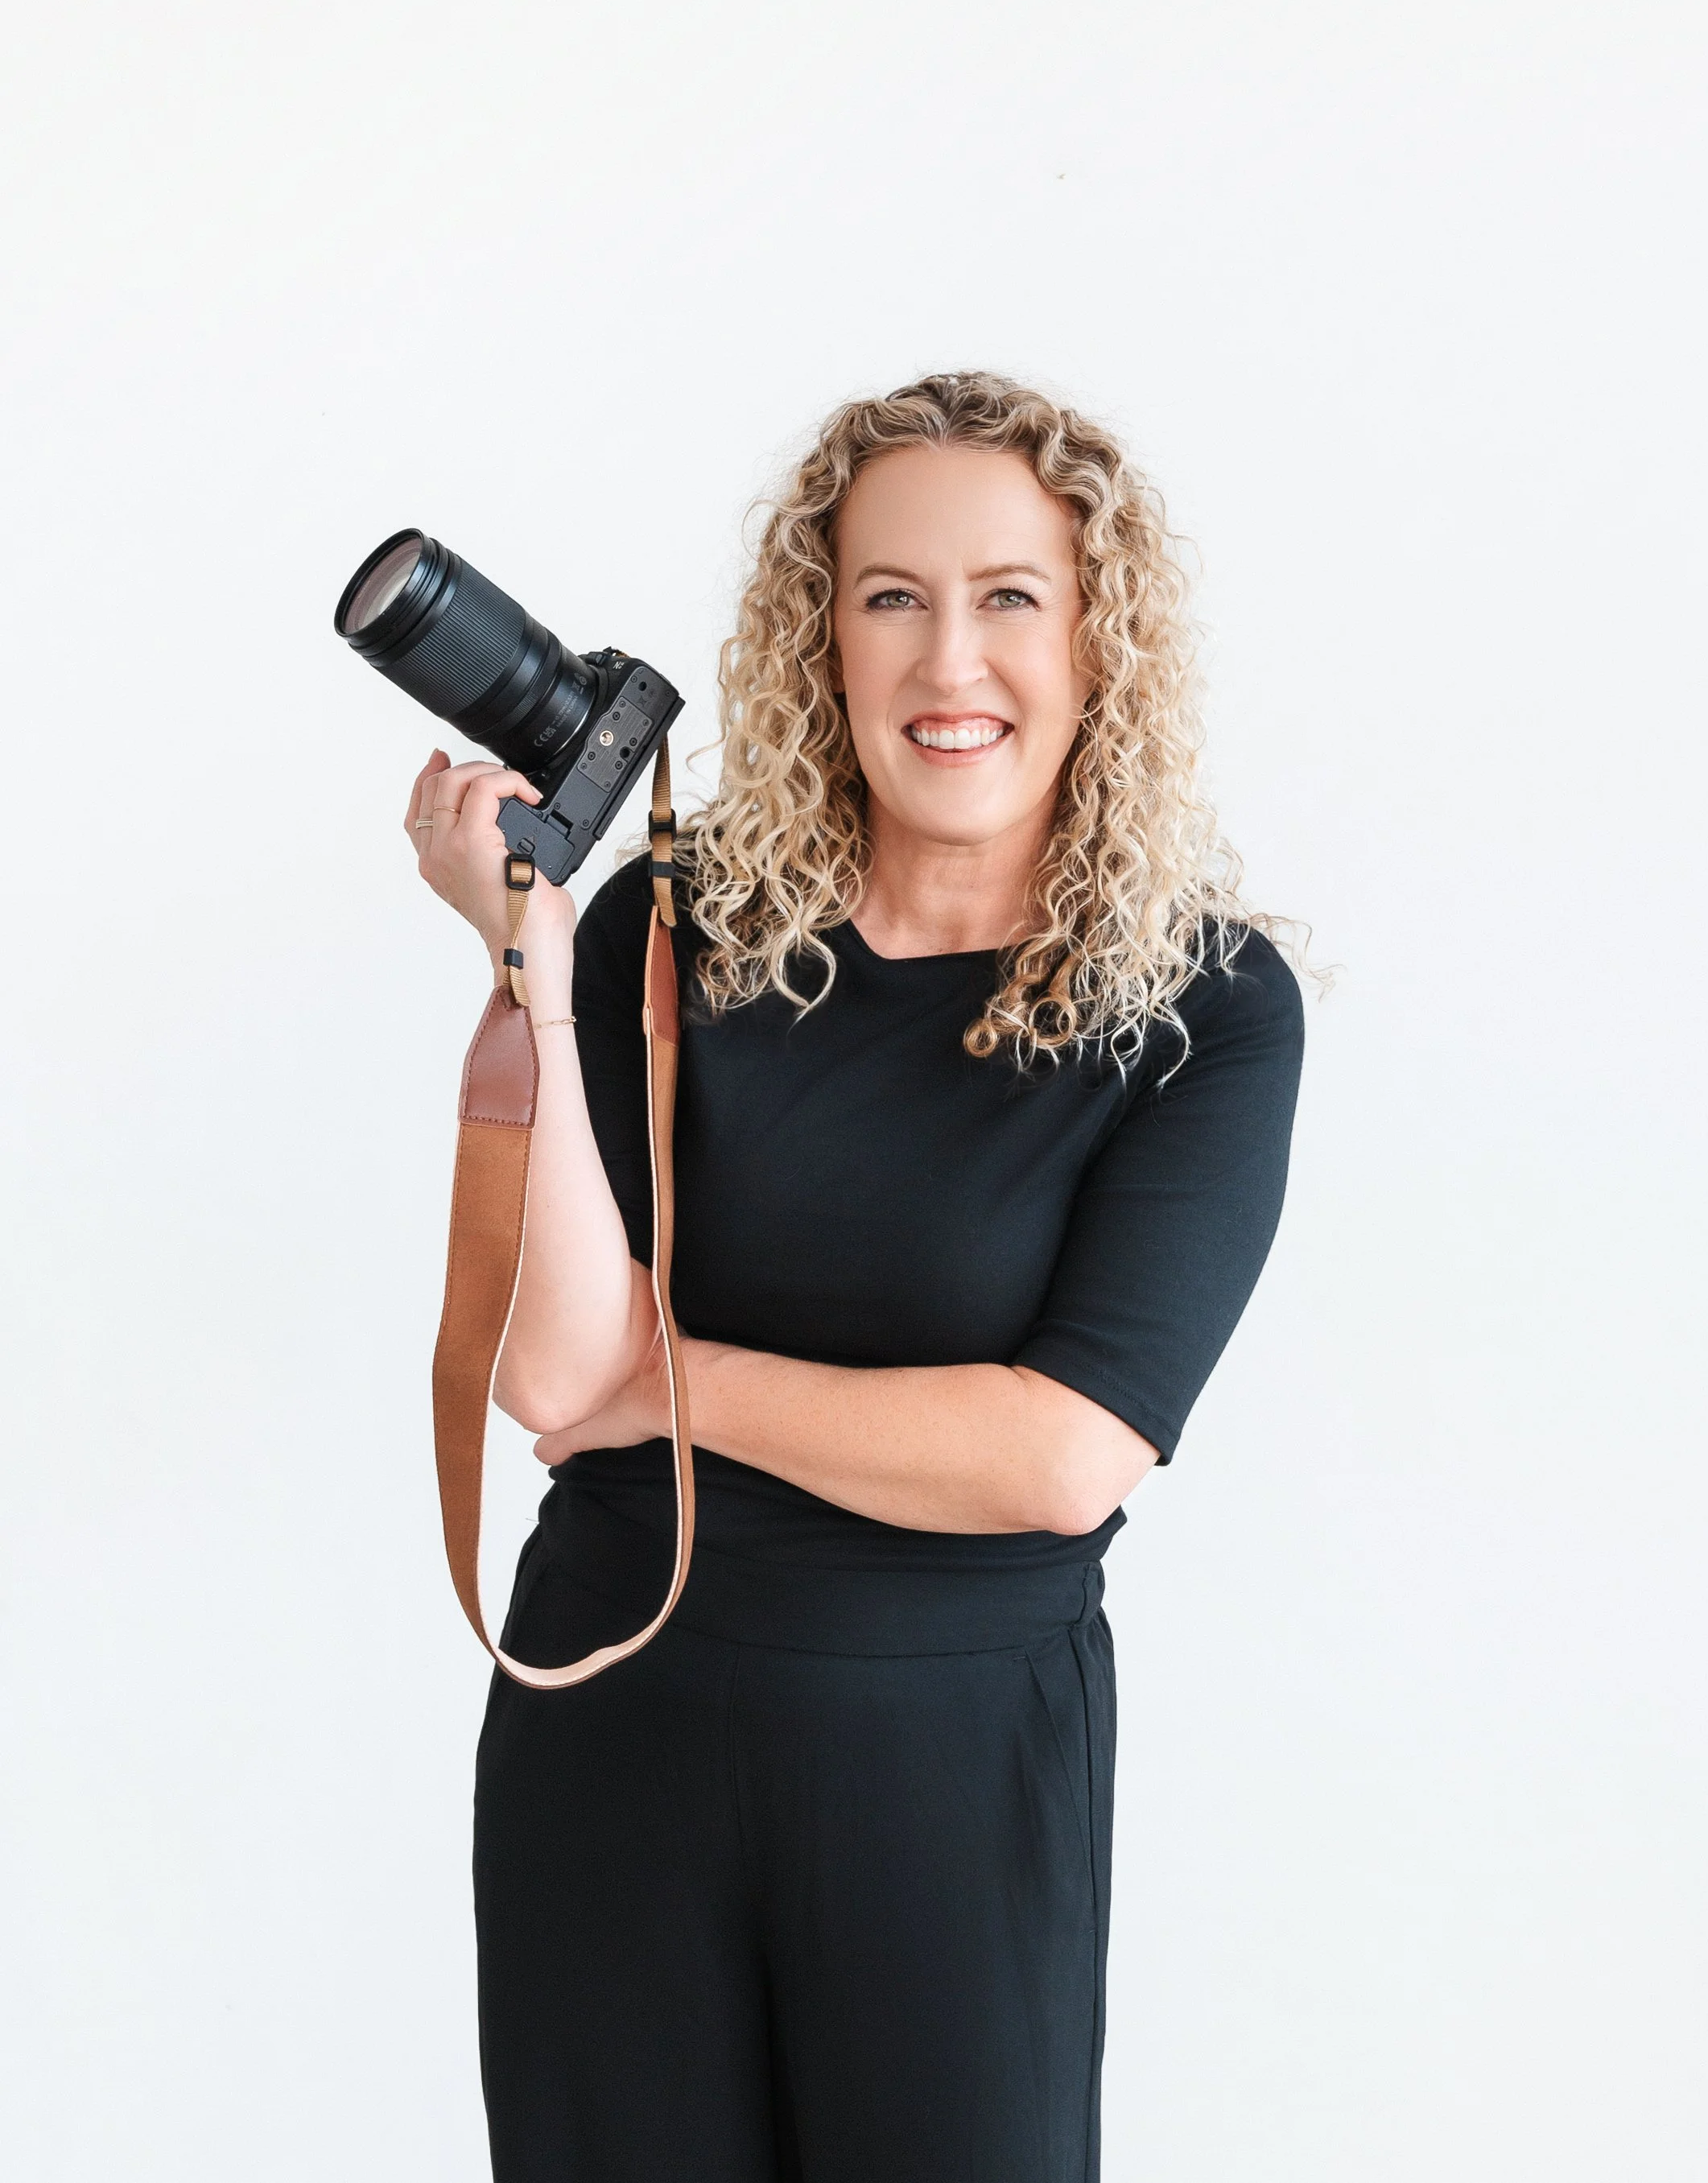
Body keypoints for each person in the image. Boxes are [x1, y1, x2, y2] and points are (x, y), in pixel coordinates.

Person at [404, 370, 1305, 2183]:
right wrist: (534, 955)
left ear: (1099, 641)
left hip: (948, 1767)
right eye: (890, 596)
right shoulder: (678, 925)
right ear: (821, 637)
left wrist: (680, 1385)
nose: (945, 658)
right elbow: (552, 1367)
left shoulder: (1200, 1008)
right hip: (617, 1723)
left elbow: (1063, 1453)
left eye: (1008, 597)